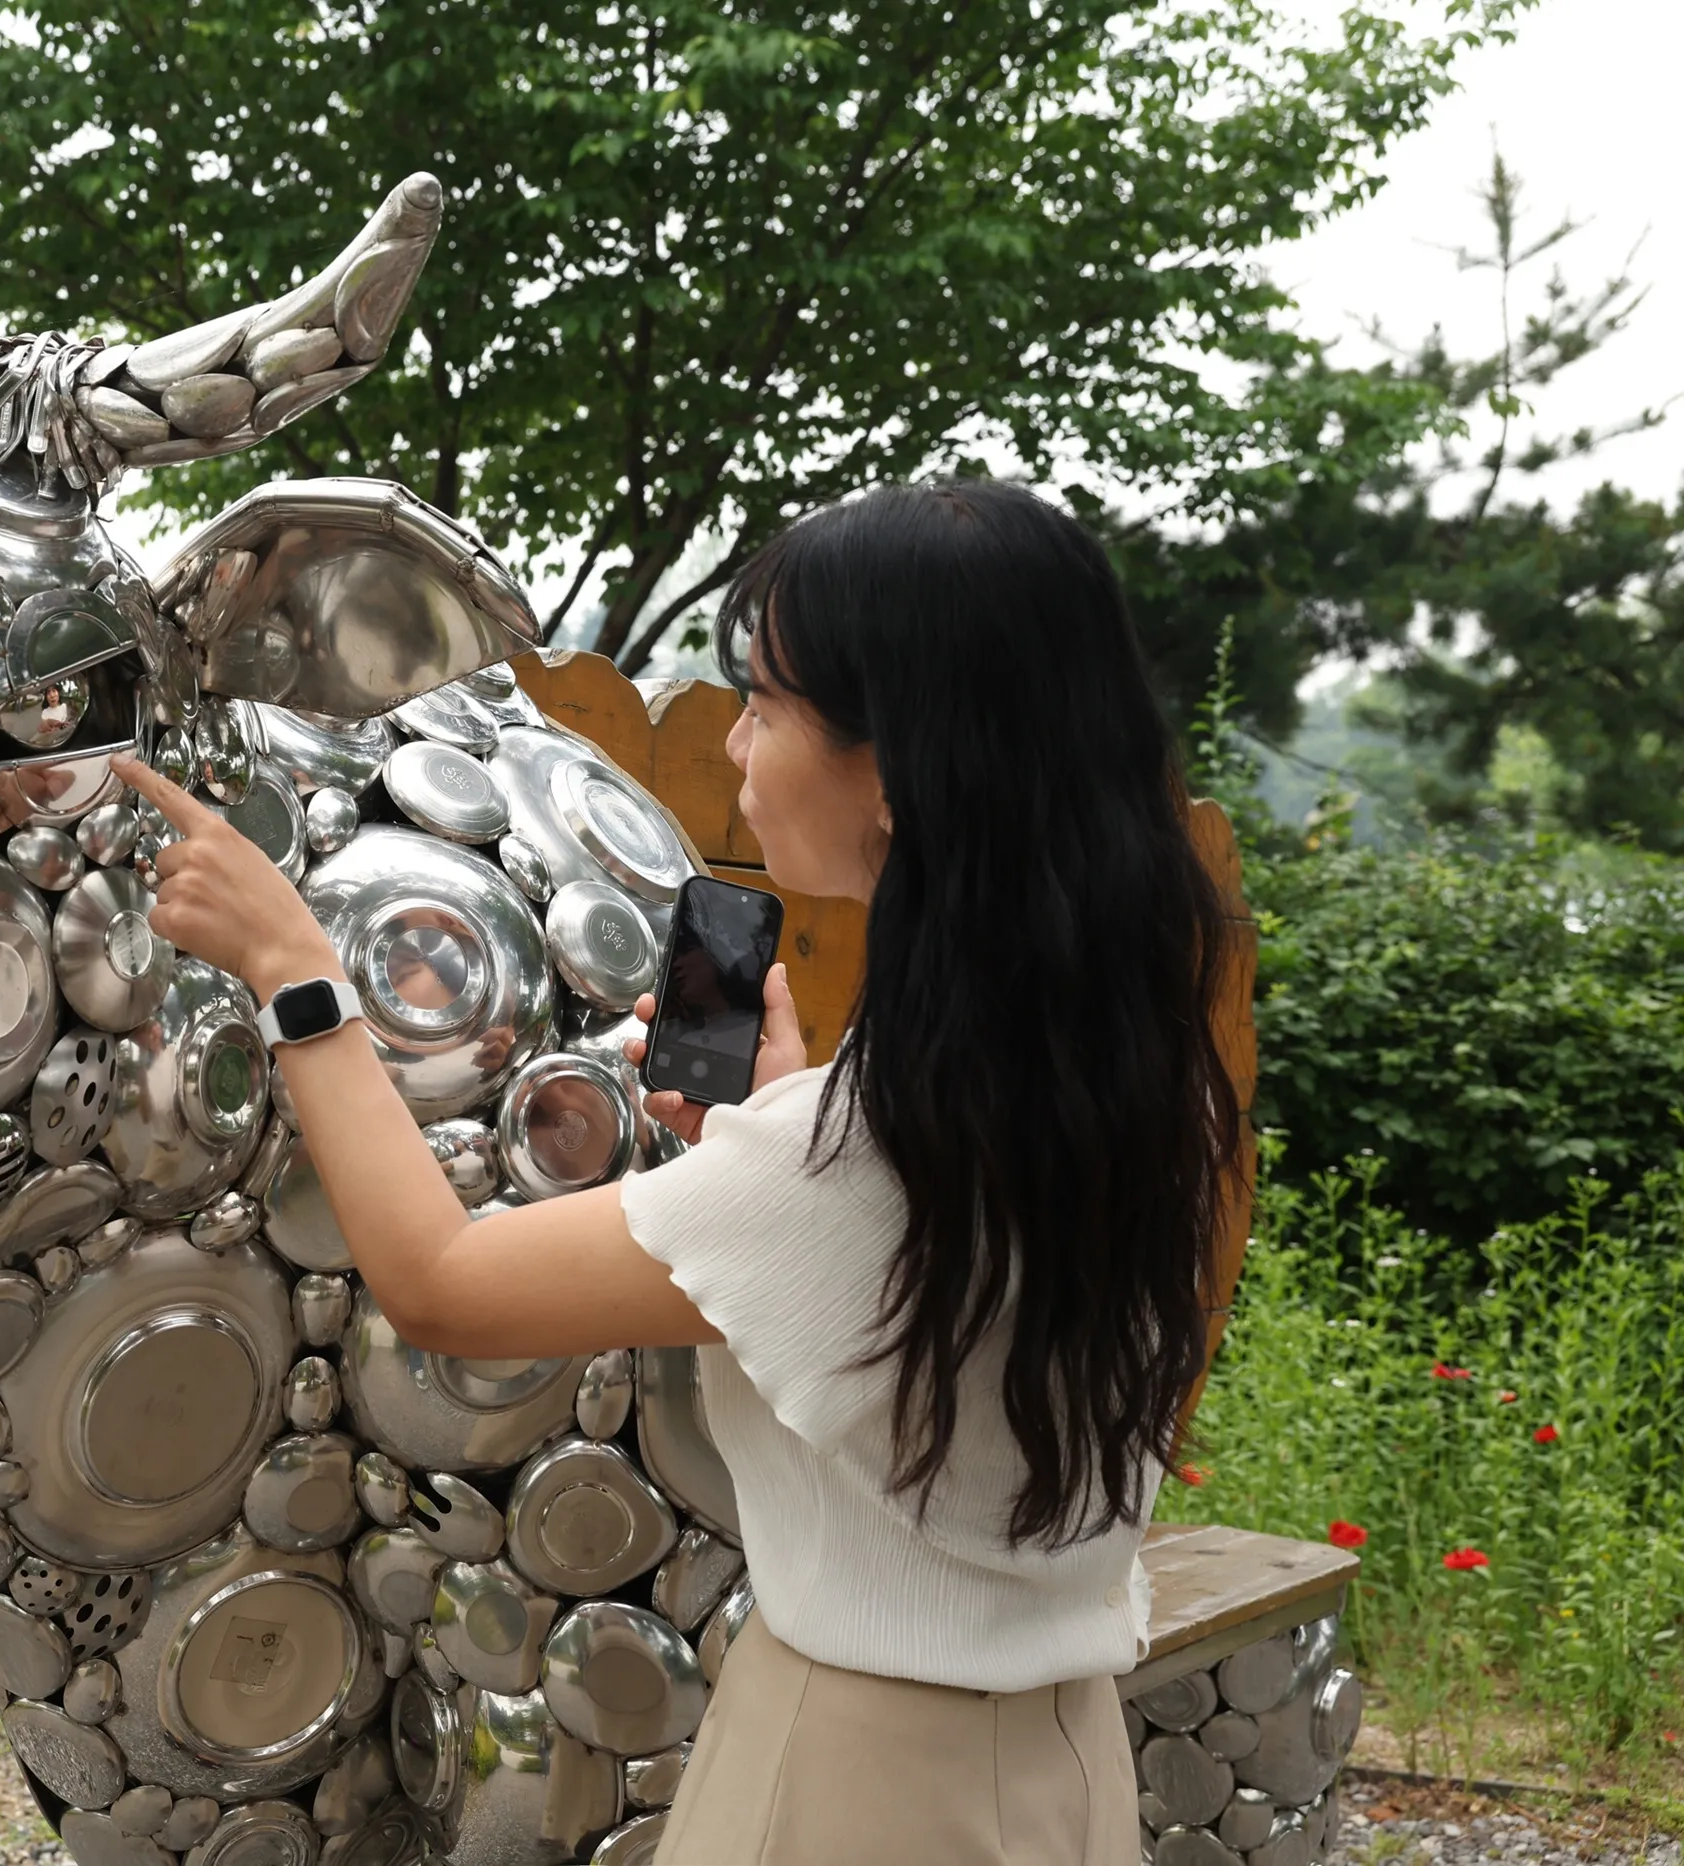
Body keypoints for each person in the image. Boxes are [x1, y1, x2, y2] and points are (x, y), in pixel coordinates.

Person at [108, 478, 1237, 1864]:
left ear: (897, 766)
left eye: (765, 703)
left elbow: (444, 1287)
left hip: (856, 1786)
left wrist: (298, 975)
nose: (742, 747)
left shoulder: (852, 1154)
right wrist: (776, 1119)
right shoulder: (1121, 1074)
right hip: (1059, 1765)